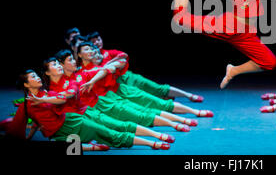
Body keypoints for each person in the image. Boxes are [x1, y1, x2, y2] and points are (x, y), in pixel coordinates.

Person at [6, 70, 171, 151]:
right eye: (33, 77)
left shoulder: (48, 94)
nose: (37, 78)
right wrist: (28, 136)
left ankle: (152, 143)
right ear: (26, 85)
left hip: (74, 121)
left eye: (37, 75)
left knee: (110, 133)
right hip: (59, 134)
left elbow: (62, 99)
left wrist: (42, 100)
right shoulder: (26, 106)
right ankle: (94, 146)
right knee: (65, 146)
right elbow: (30, 122)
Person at [46, 55, 190, 136]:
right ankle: (157, 137)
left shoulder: (80, 74)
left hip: (102, 103)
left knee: (140, 114)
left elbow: (109, 67)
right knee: (116, 130)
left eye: (72, 59)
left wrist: (92, 80)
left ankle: (171, 125)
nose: (73, 62)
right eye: (69, 60)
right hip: (87, 112)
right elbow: (62, 98)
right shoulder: (56, 87)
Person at [76, 42, 214, 118]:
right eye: (88, 50)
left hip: (122, 88)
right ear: (80, 55)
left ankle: (192, 110)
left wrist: (102, 70)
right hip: (109, 98)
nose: (93, 52)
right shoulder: (83, 71)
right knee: (144, 112)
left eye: (93, 50)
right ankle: (178, 121)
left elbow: (119, 62)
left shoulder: (104, 60)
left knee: (156, 98)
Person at [86, 31, 204, 102]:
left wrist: (109, 63)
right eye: (94, 41)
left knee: (157, 88)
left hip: (128, 77)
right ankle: (165, 102)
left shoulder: (108, 52)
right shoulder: (91, 59)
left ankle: (189, 95)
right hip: (117, 85)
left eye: (99, 39)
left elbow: (124, 56)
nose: (97, 42)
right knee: (145, 99)